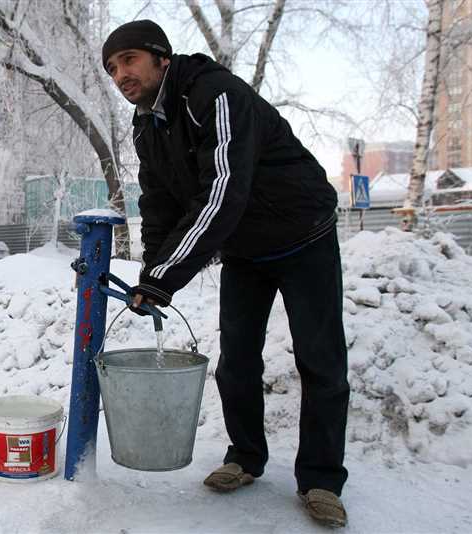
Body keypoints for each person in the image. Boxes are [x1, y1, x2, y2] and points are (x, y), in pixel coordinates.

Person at [102, 20, 350, 528]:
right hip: (245, 249)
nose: (120, 74)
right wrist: (153, 271)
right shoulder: (147, 123)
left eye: (128, 60)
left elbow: (224, 192)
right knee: (236, 359)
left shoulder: (214, 94)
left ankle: (321, 479)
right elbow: (158, 204)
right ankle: (245, 458)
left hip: (303, 234)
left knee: (320, 359)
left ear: (161, 58)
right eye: (111, 68)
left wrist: (166, 277)